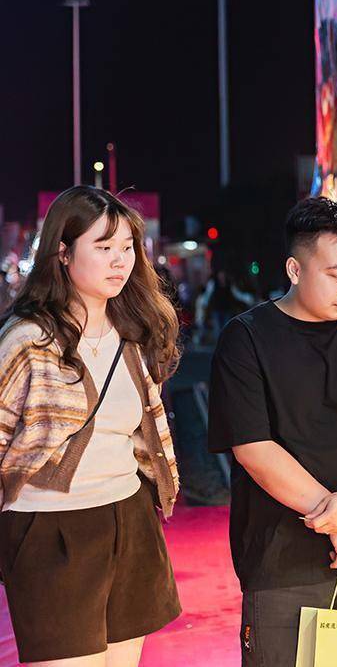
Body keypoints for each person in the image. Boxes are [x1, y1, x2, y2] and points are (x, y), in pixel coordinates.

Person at [208, 197, 337, 666]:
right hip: (282, 555)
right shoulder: (247, 339)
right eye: (336, 274)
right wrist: (335, 520)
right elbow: (254, 449)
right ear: (295, 270)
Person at [0, 186, 182, 666]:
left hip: (129, 520)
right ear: (63, 252)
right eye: (103, 248)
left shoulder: (136, 332)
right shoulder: (27, 341)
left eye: (126, 248)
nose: (119, 261)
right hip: (48, 531)